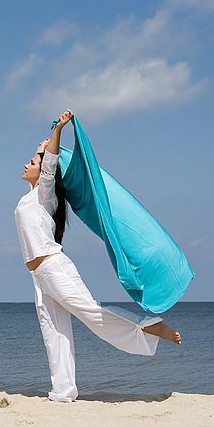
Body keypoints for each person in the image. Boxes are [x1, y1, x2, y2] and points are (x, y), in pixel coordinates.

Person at [15, 109, 183, 403]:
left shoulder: (45, 194)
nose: (25, 164)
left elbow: (50, 164)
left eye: (30, 162)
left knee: (91, 313)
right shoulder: (29, 198)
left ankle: (149, 327)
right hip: (39, 274)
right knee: (53, 332)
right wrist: (45, 145)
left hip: (54, 267)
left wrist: (56, 134)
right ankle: (63, 391)